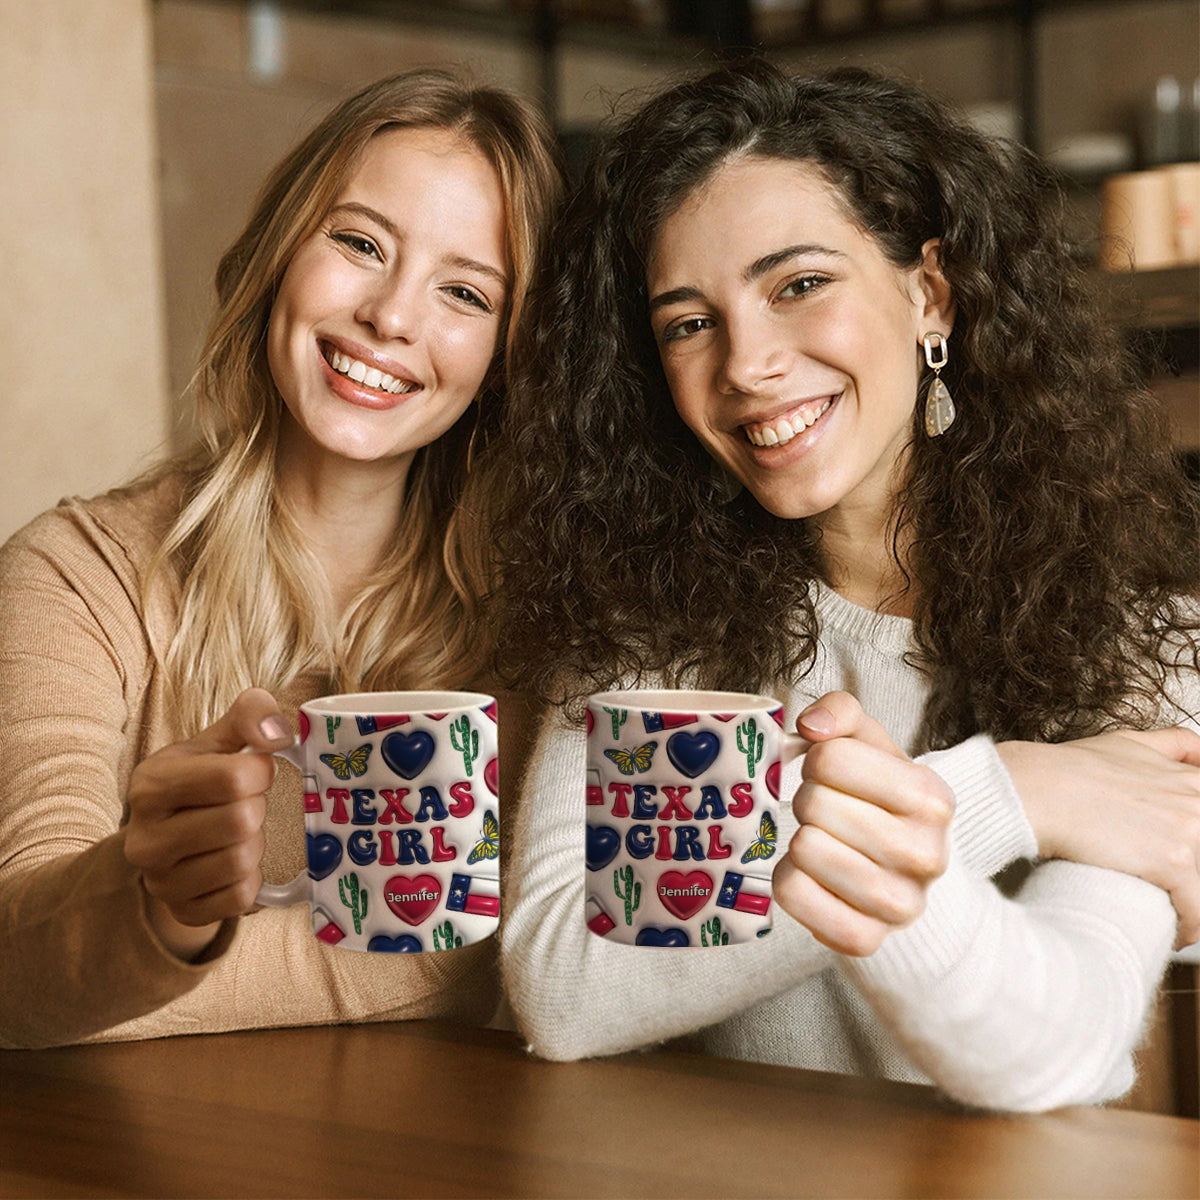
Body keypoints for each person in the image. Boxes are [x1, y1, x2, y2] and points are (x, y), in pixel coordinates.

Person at [488, 60, 1200, 1111]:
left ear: (930, 295)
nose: (746, 363)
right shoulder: (644, 633)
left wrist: (921, 809)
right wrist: (1005, 794)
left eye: (799, 285)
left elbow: (1055, 1046)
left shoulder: (1144, 638)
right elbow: (560, 989)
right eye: (689, 321)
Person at [0, 69, 563, 1048]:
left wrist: (151, 975)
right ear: (277, 257)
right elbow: (18, 970)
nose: (392, 316)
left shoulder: (541, 624)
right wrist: (158, 910)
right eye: (358, 243)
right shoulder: (74, 575)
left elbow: (542, 946)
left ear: (508, 355)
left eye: (465, 292)